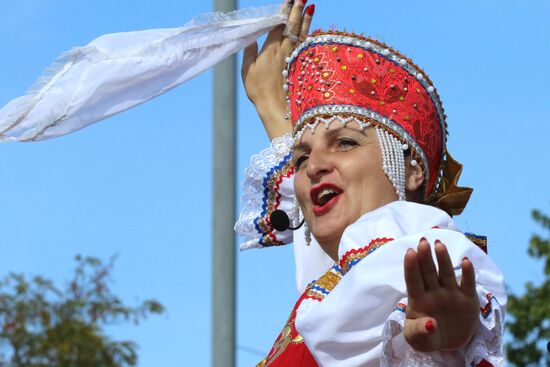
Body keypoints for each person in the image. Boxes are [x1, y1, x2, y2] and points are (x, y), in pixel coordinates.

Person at [234, 1, 506, 366]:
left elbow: (408, 283)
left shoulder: (417, 261)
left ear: (412, 170)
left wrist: (449, 339)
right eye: (301, 159)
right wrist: (270, 104)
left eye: (346, 142)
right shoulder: (334, 295)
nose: (312, 167)